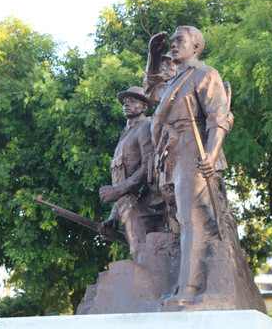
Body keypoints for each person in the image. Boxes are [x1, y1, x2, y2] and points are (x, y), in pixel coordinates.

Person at [146, 26, 234, 306]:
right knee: (180, 221)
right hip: (170, 155)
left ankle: (189, 289)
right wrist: (152, 55)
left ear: (196, 46)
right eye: (171, 42)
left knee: (193, 218)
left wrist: (211, 153)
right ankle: (183, 284)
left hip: (193, 151)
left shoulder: (205, 74)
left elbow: (219, 116)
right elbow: (150, 91)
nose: (173, 45)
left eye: (179, 41)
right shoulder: (174, 81)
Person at [98, 86, 163, 259]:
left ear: (144, 107)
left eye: (132, 101)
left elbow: (149, 165)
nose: (126, 105)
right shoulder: (124, 136)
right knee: (138, 256)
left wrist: (118, 191)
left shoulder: (145, 128)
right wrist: (114, 217)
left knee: (143, 257)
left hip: (143, 206)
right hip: (126, 206)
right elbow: (121, 178)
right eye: (125, 102)